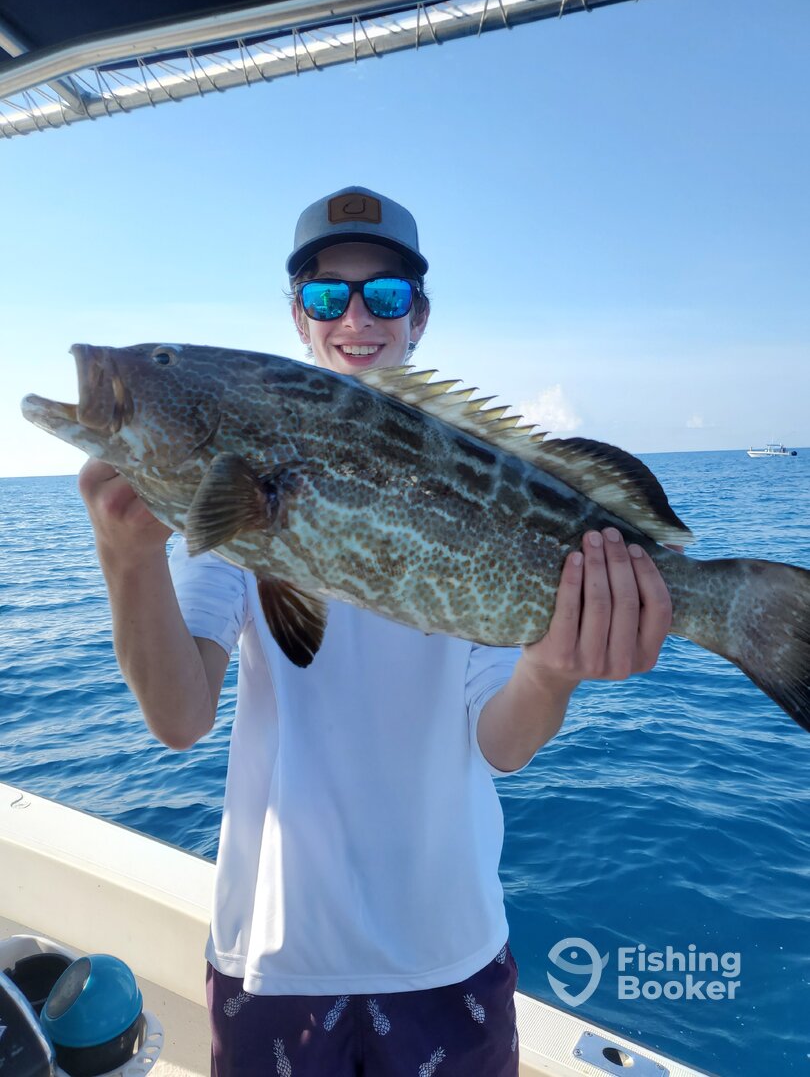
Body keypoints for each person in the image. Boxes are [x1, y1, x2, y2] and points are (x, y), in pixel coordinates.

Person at [79, 186, 674, 1076]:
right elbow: (181, 718)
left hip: (449, 951)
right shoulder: (234, 495)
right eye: (328, 297)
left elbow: (500, 743)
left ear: (418, 316)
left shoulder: (472, 475)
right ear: (298, 317)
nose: (356, 317)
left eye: (384, 295)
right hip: (275, 958)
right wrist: (128, 560)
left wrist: (552, 671)